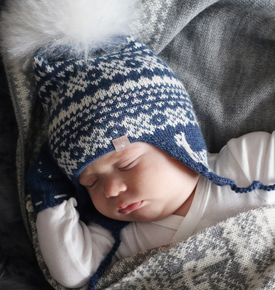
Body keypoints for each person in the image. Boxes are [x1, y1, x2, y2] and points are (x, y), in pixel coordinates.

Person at [26, 36, 275, 290]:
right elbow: (74, 273)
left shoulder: (244, 164)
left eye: (126, 165)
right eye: (91, 182)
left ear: (177, 142)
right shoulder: (120, 236)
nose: (110, 190)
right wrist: (51, 197)